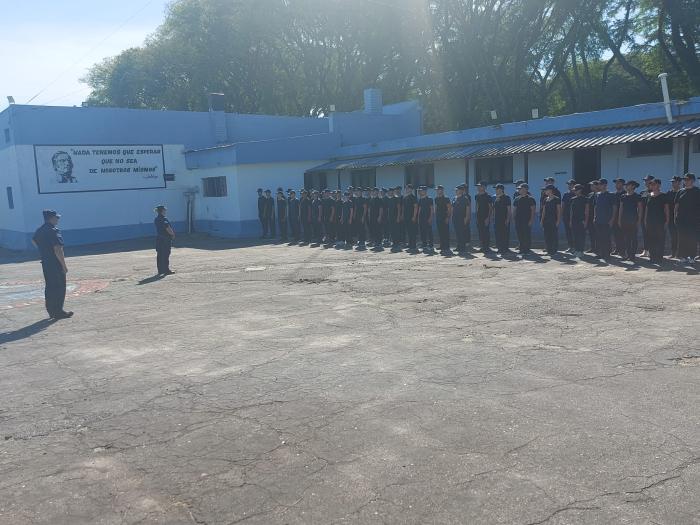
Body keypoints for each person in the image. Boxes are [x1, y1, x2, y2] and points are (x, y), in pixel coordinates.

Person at [32, 209, 73, 319]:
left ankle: (51, 311)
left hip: (45, 262)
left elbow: (34, 241)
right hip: (55, 263)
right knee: (59, 287)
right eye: (56, 217)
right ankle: (58, 311)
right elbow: (57, 249)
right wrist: (64, 266)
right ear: (51, 218)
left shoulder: (40, 230)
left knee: (50, 286)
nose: (58, 219)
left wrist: (44, 251)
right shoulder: (53, 230)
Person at [674, 172, 700, 265]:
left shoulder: (697, 191)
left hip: (693, 220)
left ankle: (692, 257)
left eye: (687, 179)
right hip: (681, 220)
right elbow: (676, 205)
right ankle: (683, 256)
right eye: (684, 179)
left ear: (692, 180)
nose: (685, 181)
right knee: (682, 238)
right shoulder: (680, 191)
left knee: (692, 238)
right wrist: (675, 217)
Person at [617, 180, 643, 262]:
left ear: (632, 186)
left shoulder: (637, 196)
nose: (626, 186)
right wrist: (619, 220)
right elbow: (621, 209)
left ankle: (633, 255)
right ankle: (628, 255)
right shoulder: (623, 196)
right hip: (624, 220)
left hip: (633, 220)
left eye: (627, 185)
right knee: (626, 239)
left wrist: (638, 221)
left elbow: (640, 209)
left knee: (634, 239)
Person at [593, 178, 618, 261]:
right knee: (599, 237)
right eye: (598, 184)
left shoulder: (611, 195)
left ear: (605, 185)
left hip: (607, 220)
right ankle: (601, 253)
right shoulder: (597, 194)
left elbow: (614, 208)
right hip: (598, 220)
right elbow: (596, 207)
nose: (599, 186)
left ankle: (607, 254)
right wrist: (595, 217)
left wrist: (612, 219)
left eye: (600, 184)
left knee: (606, 238)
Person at [645, 178, 669, 266]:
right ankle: (652, 257)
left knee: (660, 239)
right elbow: (647, 209)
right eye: (651, 184)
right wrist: (645, 220)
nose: (651, 185)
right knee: (651, 239)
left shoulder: (663, 195)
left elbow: (666, 209)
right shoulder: (648, 195)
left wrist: (667, 221)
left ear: (659, 185)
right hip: (650, 221)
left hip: (660, 222)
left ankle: (659, 258)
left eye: (653, 184)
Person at [152, 205, 176, 276]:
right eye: (165, 210)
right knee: (165, 254)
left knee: (159, 254)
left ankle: (160, 270)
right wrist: (172, 234)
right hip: (165, 239)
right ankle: (166, 270)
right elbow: (167, 228)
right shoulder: (164, 219)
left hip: (159, 238)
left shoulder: (156, 219)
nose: (165, 211)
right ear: (162, 211)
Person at [513, 183, 536, 256]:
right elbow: (514, 210)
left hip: (526, 220)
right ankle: (521, 248)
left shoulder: (530, 199)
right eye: (518, 189)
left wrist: (531, 220)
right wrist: (513, 219)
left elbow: (533, 210)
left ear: (525, 189)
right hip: (518, 220)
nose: (519, 190)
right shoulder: (517, 199)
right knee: (520, 235)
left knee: (526, 235)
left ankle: (527, 249)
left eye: (520, 188)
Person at [540, 184, 561, 255]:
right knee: (547, 235)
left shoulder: (556, 199)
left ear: (550, 190)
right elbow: (544, 211)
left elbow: (559, 211)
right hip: (546, 220)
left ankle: (554, 250)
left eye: (546, 189)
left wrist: (558, 221)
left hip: (553, 220)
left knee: (553, 235)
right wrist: (542, 220)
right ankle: (549, 250)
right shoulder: (545, 199)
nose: (545, 191)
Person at [569, 184, 589, 258]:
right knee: (575, 236)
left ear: (580, 190)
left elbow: (587, 211)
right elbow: (571, 211)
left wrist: (586, 221)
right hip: (574, 220)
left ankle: (581, 250)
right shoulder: (572, 199)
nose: (574, 191)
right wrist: (570, 221)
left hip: (581, 220)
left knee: (581, 236)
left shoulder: (585, 199)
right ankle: (577, 250)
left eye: (576, 190)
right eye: (574, 190)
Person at [666, 176, 682, 258]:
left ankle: (680, 253)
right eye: (672, 182)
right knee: (673, 236)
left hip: (681, 217)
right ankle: (673, 253)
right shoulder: (669, 193)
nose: (673, 183)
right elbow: (666, 206)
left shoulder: (682, 192)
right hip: (671, 217)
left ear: (679, 183)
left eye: (675, 182)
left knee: (681, 236)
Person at [452, 184, 471, 254]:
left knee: (462, 233)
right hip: (455, 218)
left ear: (461, 191)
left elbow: (468, 209)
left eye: (457, 190)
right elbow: (452, 208)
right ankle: (458, 246)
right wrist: (452, 217)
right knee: (457, 233)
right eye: (456, 190)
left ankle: (462, 247)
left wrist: (466, 218)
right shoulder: (454, 198)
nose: (456, 191)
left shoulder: (465, 199)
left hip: (462, 218)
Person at [493, 183, 511, 254]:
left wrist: (508, 219)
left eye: (497, 189)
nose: (496, 190)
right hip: (497, 219)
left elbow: (509, 209)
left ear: (501, 190)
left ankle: (505, 248)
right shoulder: (496, 198)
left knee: (505, 234)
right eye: (496, 189)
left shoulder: (507, 198)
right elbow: (494, 208)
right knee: (498, 233)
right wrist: (493, 217)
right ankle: (499, 247)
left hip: (504, 218)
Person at [474, 182, 493, 252]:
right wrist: (476, 216)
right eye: (478, 186)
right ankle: (482, 246)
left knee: (486, 232)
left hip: (486, 216)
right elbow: (477, 206)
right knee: (480, 232)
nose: (478, 188)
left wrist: (488, 218)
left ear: (484, 187)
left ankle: (486, 247)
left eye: (480, 186)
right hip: (479, 216)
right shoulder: (477, 196)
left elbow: (490, 208)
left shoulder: (488, 196)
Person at [639, 174, 654, 257]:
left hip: (652, 217)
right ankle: (646, 251)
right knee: (645, 234)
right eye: (645, 180)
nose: (646, 182)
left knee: (652, 234)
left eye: (647, 180)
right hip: (643, 216)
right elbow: (640, 205)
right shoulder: (642, 192)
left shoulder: (655, 192)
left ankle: (652, 251)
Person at [434, 185, 452, 255]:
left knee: (445, 233)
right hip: (438, 218)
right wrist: (435, 216)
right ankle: (442, 246)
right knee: (440, 232)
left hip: (445, 217)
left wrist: (448, 217)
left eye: (439, 190)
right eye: (437, 190)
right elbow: (436, 208)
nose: (438, 191)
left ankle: (446, 247)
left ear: (442, 190)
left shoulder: (446, 198)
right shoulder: (436, 198)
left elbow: (449, 208)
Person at [417, 186, 434, 254]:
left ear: (425, 191)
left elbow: (432, 209)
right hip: (421, 218)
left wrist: (430, 218)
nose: (420, 192)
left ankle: (431, 246)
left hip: (427, 218)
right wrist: (418, 218)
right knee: (422, 232)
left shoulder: (429, 199)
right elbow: (419, 210)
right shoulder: (420, 200)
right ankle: (424, 245)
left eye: (421, 190)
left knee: (429, 232)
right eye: (420, 191)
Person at [611, 178, 626, 255]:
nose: (616, 185)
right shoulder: (614, 194)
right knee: (615, 234)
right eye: (616, 183)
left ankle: (623, 251)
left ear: (623, 184)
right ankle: (617, 249)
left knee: (623, 235)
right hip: (614, 217)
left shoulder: (625, 193)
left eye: (618, 183)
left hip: (623, 218)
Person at [561, 179, 576, 253]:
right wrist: (561, 214)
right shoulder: (565, 194)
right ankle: (570, 246)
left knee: (574, 232)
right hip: (566, 215)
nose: (569, 186)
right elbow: (563, 205)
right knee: (568, 232)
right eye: (568, 185)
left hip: (574, 216)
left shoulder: (576, 194)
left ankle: (576, 247)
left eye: (571, 184)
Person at [403, 184, 418, 252]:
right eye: (406, 188)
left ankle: (413, 246)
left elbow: (415, 207)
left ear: (411, 189)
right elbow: (404, 208)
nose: (406, 189)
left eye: (408, 188)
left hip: (412, 217)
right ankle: (410, 244)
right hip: (406, 217)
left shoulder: (413, 197)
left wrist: (414, 216)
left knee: (412, 232)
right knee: (408, 231)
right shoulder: (405, 198)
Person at [586, 180, 599, 254]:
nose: (591, 186)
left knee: (598, 234)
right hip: (590, 216)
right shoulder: (590, 194)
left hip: (598, 216)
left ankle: (598, 248)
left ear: (597, 185)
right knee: (591, 233)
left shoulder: (599, 194)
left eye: (592, 185)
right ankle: (593, 247)